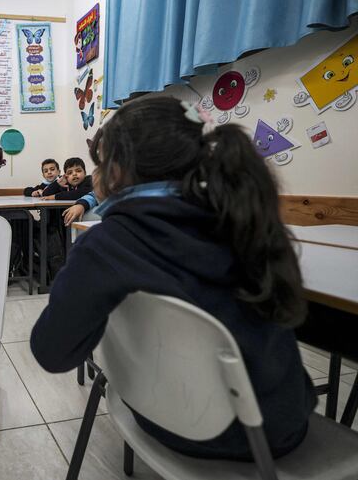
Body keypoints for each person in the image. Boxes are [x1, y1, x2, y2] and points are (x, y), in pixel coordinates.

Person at [31, 96, 315, 461]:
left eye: (97, 165)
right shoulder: (244, 218)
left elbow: (50, 352)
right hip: (280, 429)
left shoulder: (106, 244)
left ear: (116, 171)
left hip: (178, 427)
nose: (93, 176)